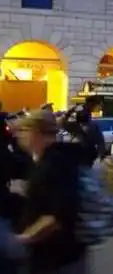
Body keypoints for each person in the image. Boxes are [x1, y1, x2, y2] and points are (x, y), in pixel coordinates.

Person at [14, 111, 89, 274]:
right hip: (58, 256)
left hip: (57, 259)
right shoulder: (45, 160)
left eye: (24, 130)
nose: (19, 135)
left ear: (37, 132)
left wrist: (23, 239)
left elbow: (56, 216)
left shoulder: (55, 163)